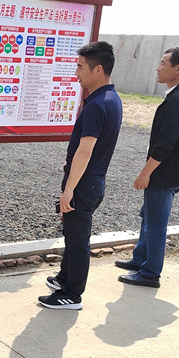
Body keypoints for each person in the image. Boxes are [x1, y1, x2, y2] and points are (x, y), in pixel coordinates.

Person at [116, 47, 179, 287]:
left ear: (178, 69)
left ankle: (150, 273)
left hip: (166, 172)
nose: (157, 68)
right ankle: (140, 260)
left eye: (162, 63)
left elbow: (165, 144)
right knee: (148, 215)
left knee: (155, 223)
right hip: (175, 171)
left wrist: (145, 173)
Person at [39, 41, 122, 310]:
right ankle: (65, 278)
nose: (76, 73)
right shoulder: (111, 98)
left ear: (98, 69)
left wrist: (68, 190)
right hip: (91, 181)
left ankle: (72, 294)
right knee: (73, 234)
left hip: (84, 183)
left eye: (80, 67)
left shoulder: (97, 105)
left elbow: (84, 152)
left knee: (77, 241)